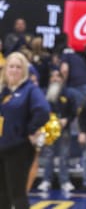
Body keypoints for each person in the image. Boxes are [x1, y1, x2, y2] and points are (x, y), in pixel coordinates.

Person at [0, 52, 50, 208]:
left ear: (24, 71)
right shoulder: (3, 90)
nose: (14, 70)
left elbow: (43, 111)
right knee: (2, 193)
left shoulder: (30, 89)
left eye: (18, 67)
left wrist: (29, 130)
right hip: (1, 146)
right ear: (5, 69)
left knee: (18, 193)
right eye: (11, 66)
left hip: (18, 148)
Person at [37, 69, 77, 193]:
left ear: (62, 79)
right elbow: (39, 110)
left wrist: (67, 120)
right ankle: (46, 180)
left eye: (58, 76)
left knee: (64, 156)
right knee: (49, 155)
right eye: (53, 77)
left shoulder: (68, 93)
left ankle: (64, 181)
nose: (55, 79)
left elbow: (73, 112)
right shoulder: (43, 93)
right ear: (49, 79)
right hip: (49, 128)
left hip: (63, 128)